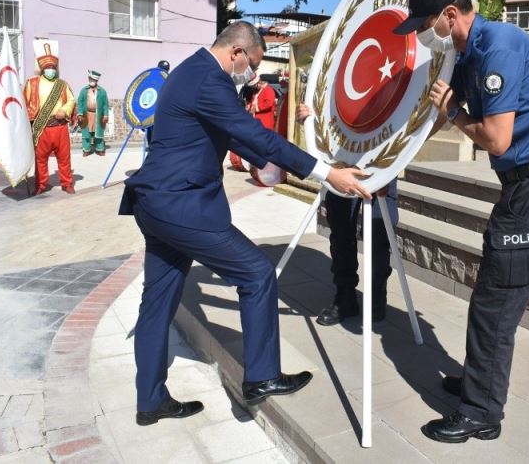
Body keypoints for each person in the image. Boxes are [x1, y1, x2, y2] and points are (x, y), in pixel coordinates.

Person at [118, 21, 370, 426]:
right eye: (252, 64)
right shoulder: (209, 80)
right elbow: (254, 133)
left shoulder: (190, 71)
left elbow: (231, 136)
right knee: (256, 273)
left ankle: (150, 401)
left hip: (155, 202)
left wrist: (267, 161)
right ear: (236, 52)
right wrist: (326, 172)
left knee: (157, 304)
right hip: (182, 206)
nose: (251, 73)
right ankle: (263, 376)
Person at [392, 0, 529, 443]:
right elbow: (442, 116)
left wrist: (454, 113)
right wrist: (393, 159)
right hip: (521, 185)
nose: (421, 35)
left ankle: (480, 413)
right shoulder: (467, 51)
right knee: (491, 296)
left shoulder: (498, 49)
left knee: (495, 304)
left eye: (425, 24)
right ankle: (480, 384)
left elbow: (494, 137)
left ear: (451, 15)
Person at [295, 103, 397, 325]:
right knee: (341, 231)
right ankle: (345, 297)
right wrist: (310, 120)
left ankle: (377, 294)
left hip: (382, 153)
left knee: (380, 234)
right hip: (341, 155)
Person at [23, 48, 76, 194]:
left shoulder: (62, 84)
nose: (51, 70)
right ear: (42, 69)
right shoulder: (32, 83)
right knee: (40, 159)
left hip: (60, 126)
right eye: (48, 68)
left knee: (64, 158)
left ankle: (67, 183)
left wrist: (64, 110)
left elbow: (71, 100)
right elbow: (24, 103)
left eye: (53, 67)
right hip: (42, 127)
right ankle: (40, 185)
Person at [76, 70, 110, 157]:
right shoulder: (84, 90)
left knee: (98, 133)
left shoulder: (102, 91)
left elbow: (106, 104)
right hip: (86, 114)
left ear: (97, 80)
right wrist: (79, 114)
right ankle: (86, 150)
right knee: (86, 133)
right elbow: (80, 102)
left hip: (98, 115)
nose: (92, 81)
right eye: (90, 79)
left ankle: (100, 149)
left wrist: (106, 115)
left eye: (94, 79)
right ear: (88, 78)